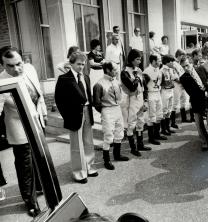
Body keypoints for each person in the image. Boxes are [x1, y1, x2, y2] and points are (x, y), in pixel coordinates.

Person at [0, 46, 48, 216]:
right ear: (3, 66)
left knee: (39, 157)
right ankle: (30, 200)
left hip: (36, 121)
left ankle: (41, 187)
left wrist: (43, 113)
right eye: (10, 66)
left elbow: (39, 93)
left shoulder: (30, 69)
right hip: (18, 127)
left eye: (18, 63)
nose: (16, 69)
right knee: (25, 164)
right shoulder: (1, 82)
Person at [55, 51, 98, 184]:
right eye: (78, 64)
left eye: (83, 64)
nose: (81, 66)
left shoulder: (85, 77)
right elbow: (59, 100)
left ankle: (89, 167)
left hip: (86, 111)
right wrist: (66, 116)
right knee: (76, 145)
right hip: (73, 115)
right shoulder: (64, 79)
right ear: (71, 63)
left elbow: (88, 96)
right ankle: (79, 172)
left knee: (88, 142)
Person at [93, 62, 127, 170]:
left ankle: (117, 155)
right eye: (114, 69)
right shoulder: (99, 84)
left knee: (119, 132)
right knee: (108, 136)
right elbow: (97, 103)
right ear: (108, 70)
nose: (116, 71)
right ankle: (106, 160)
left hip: (117, 108)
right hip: (107, 110)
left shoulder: (116, 81)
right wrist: (105, 111)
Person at [121, 49, 150, 157]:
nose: (140, 61)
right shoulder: (124, 72)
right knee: (131, 123)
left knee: (141, 121)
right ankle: (133, 148)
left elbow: (145, 87)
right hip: (131, 99)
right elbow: (132, 87)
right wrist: (137, 77)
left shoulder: (139, 70)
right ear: (131, 60)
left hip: (141, 98)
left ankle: (140, 144)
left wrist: (146, 100)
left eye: (140, 59)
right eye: (137, 59)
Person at [180, 56, 208, 151]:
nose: (186, 68)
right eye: (183, 67)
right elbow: (191, 92)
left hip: (207, 99)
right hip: (196, 100)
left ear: (191, 63)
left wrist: (207, 89)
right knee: (199, 123)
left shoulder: (201, 69)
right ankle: (204, 142)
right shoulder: (183, 78)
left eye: (187, 65)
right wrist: (202, 92)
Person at [143, 54, 166, 145]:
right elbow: (144, 86)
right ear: (153, 61)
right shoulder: (146, 72)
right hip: (150, 94)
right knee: (151, 116)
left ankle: (157, 134)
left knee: (159, 114)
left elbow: (161, 82)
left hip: (157, 93)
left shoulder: (159, 71)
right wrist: (145, 99)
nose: (160, 62)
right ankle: (151, 138)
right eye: (158, 60)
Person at [171, 49, 190, 126]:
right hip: (176, 84)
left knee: (183, 100)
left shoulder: (179, 63)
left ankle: (184, 118)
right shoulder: (174, 63)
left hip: (181, 84)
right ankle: (172, 122)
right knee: (175, 103)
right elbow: (175, 76)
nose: (183, 57)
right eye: (182, 55)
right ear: (178, 55)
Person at [160, 55, 176, 136]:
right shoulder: (162, 70)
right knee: (164, 109)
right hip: (165, 90)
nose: (173, 63)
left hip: (171, 90)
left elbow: (173, 78)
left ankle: (168, 127)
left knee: (170, 109)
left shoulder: (171, 69)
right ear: (167, 62)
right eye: (171, 61)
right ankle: (163, 129)